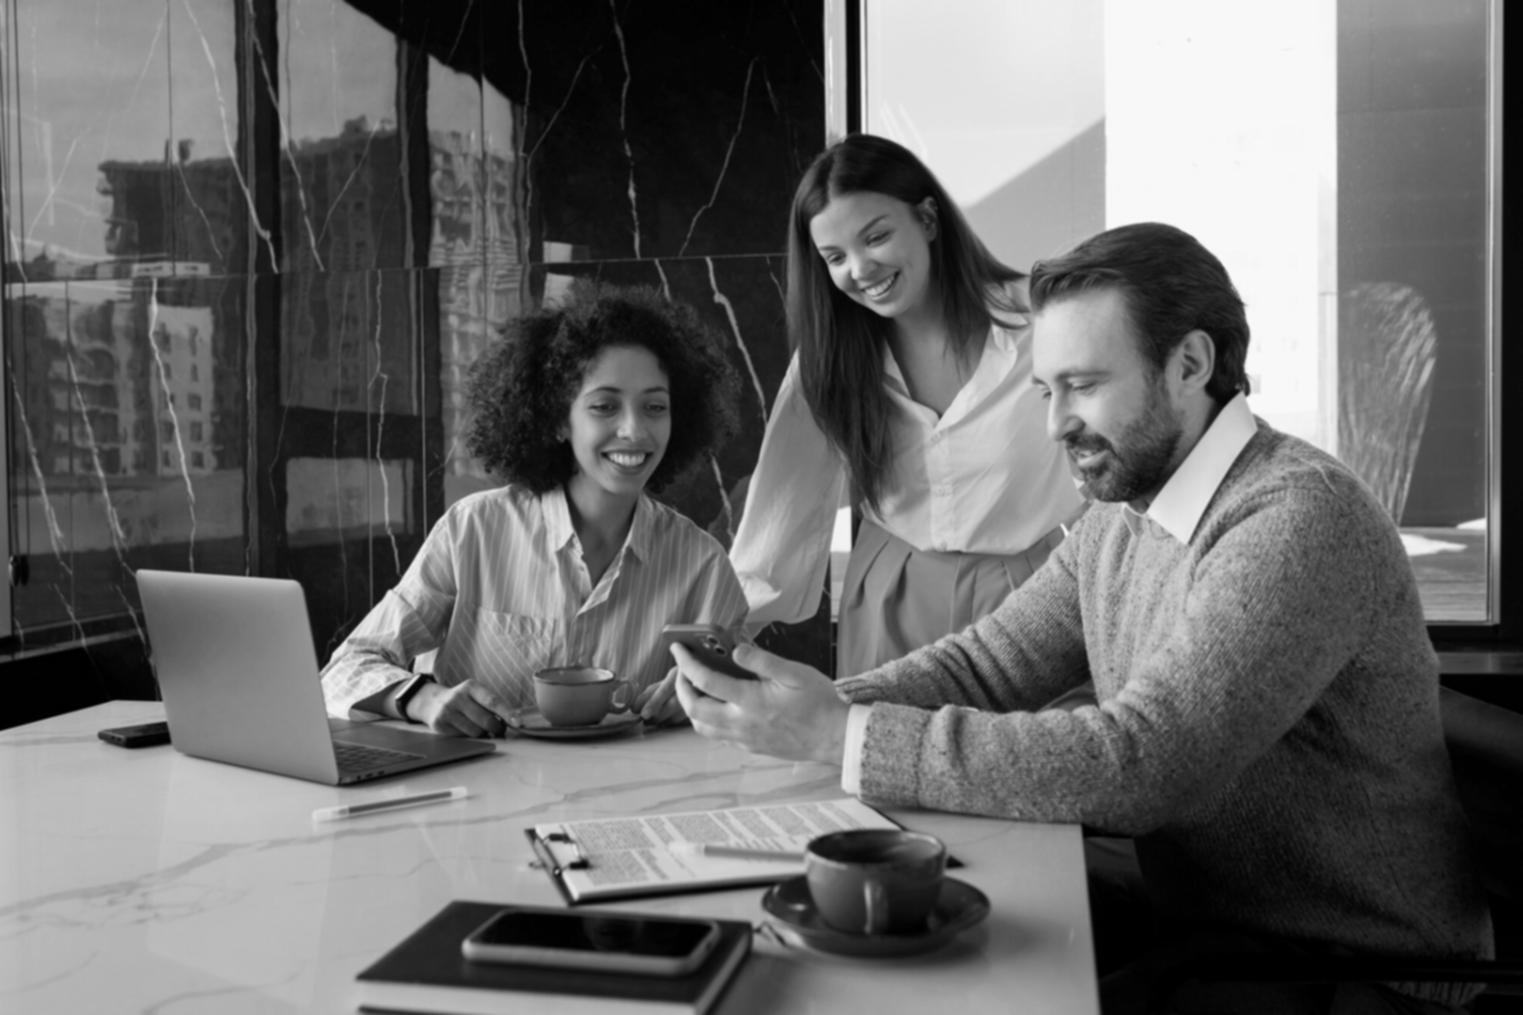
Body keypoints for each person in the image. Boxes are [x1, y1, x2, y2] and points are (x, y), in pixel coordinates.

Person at [674, 223, 1492, 1012]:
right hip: (1210, 937)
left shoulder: (1296, 517)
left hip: (1354, 976)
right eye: (1045, 389)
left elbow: (1145, 764)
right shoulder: (1125, 513)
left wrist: (839, 736)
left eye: (1084, 385)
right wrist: (794, 707)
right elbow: (987, 666)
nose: (1054, 423)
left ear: (1189, 364)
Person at [728, 133, 1083, 677]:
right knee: (876, 734)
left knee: (1026, 734)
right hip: (887, 598)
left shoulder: (1044, 323)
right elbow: (780, 512)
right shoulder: (827, 361)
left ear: (928, 219)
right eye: (835, 257)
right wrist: (715, 645)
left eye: (876, 237)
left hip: (1026, 596)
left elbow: (1111, 469)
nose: (860, 269)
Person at [322, 283, 748, 736]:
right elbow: (346, 667)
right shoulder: (473, 531)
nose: (634, 429)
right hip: (479, 780)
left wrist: (710, 696)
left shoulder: (702, 565)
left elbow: (752, 701)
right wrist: (423, 699)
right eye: (605, 406)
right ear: (559, 418)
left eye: (655, 407)